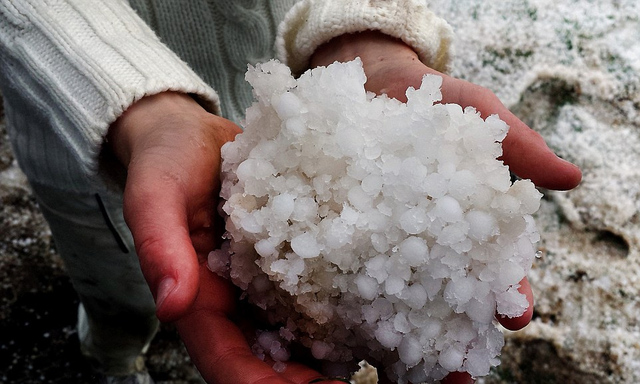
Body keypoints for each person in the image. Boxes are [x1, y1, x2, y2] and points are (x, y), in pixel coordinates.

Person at [0, 1, 581, 383]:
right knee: (117, 288)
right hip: (87, 128)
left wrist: (361, 29)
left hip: (279, 85)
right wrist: (143, 110)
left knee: (163, 279)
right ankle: (111, 354)